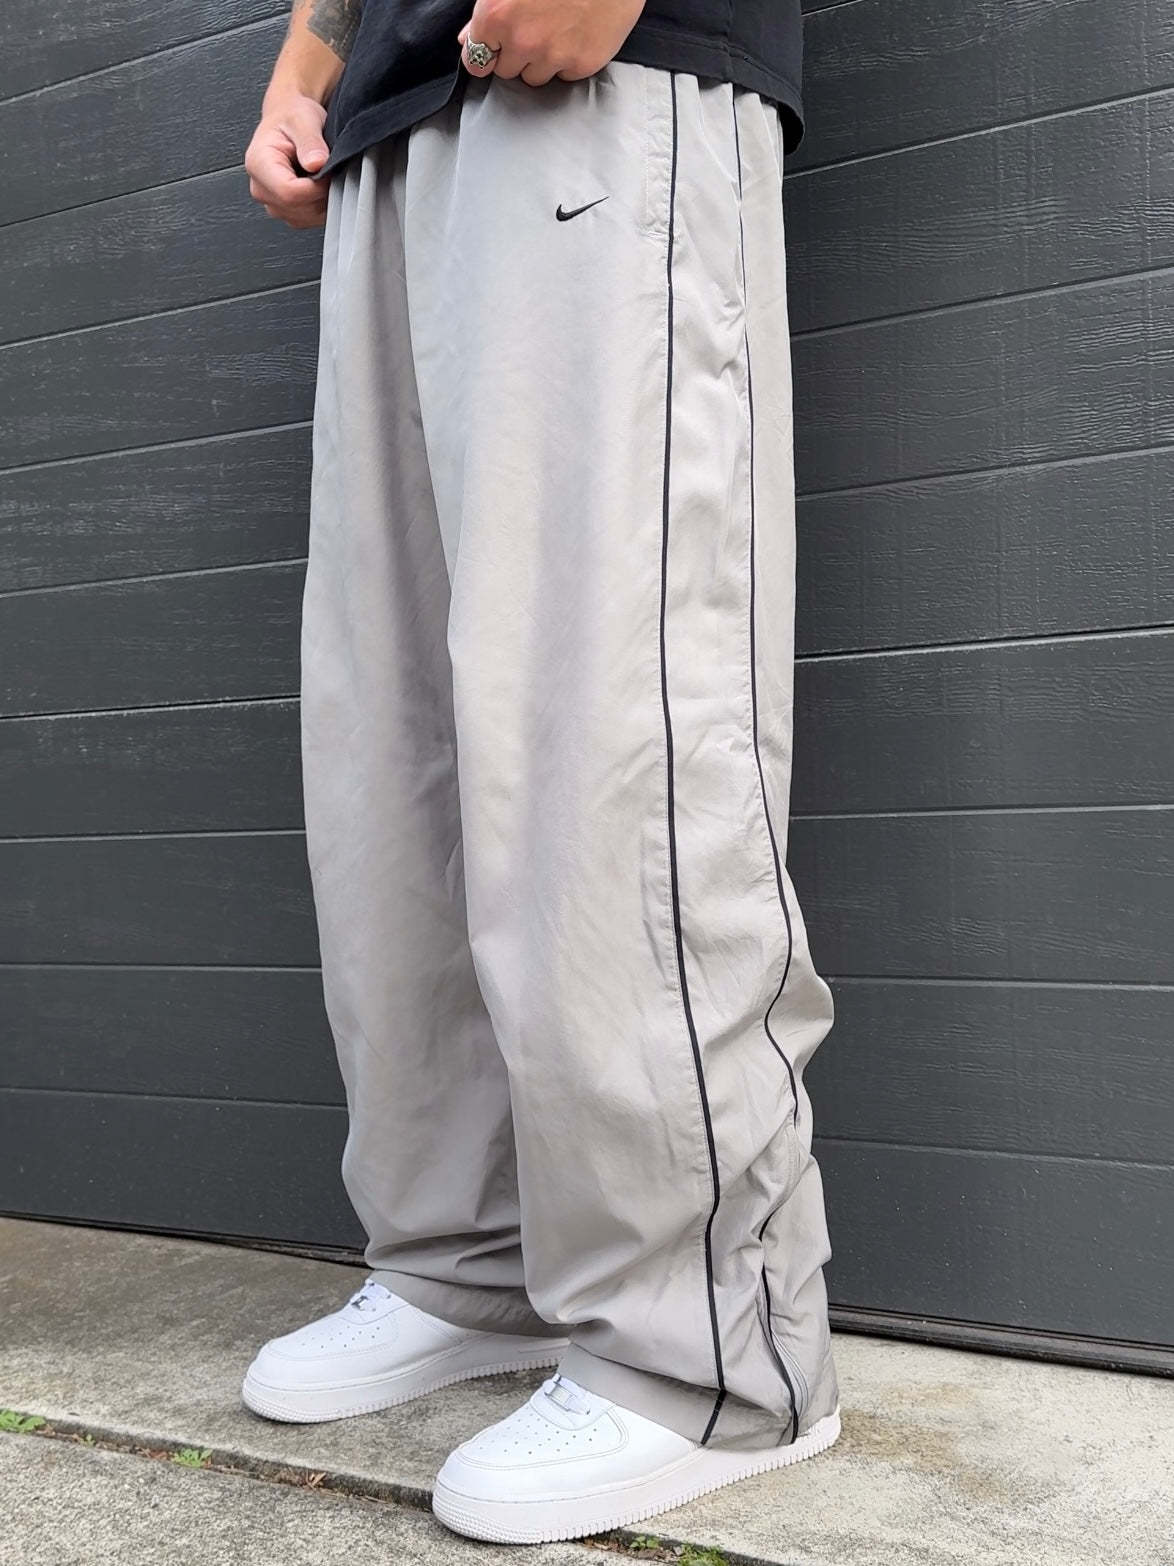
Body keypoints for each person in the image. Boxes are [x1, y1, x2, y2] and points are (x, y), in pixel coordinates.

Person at [241, 0, 840, 1543]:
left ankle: (710, 1349)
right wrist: (312, 59)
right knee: (400, 757)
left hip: (613, 71)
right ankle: (468, 1263)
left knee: (611, 717)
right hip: (388, 129)